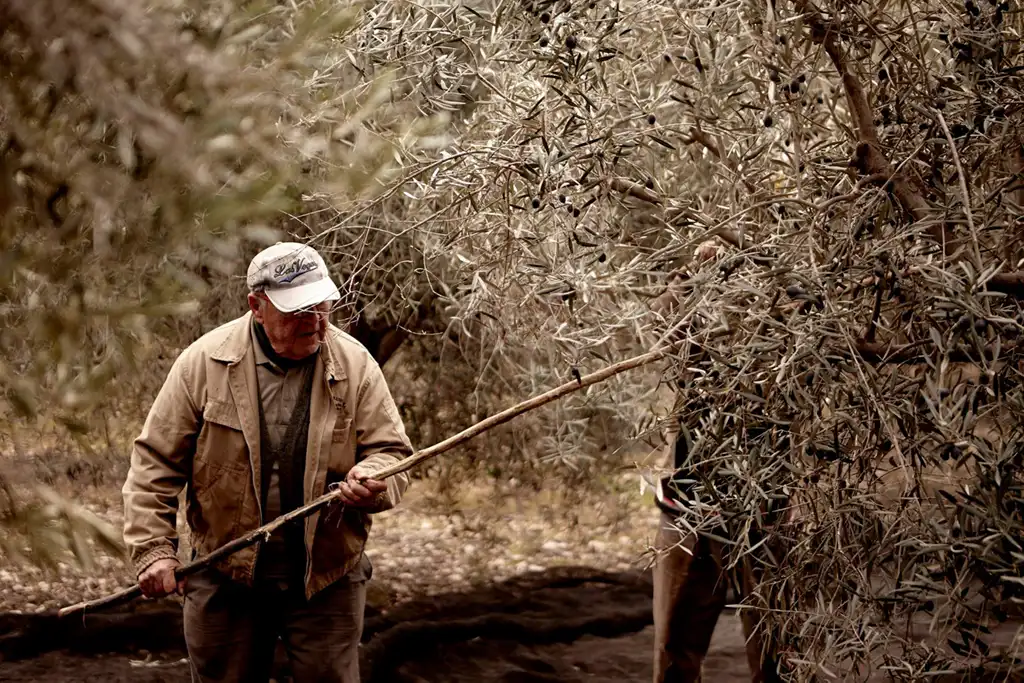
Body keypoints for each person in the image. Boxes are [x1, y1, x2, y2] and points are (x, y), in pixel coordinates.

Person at [122, 242, 414, 683]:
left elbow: (394, 455)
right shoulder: (203, 363)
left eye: (322, 306)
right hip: (223, 576)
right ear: (256, 306)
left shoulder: (356, 365)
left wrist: (374, 479)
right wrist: (153, 551)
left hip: (327, 578)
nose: (315, 322)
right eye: (298, 311)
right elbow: (154, 464)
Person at [649, 241, 785, 683]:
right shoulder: (694, 342)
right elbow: (661, 327)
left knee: (776, 650)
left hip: (765, 510)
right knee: (674, 649)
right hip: (687, 508)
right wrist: (693, 275)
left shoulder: (782, 333)